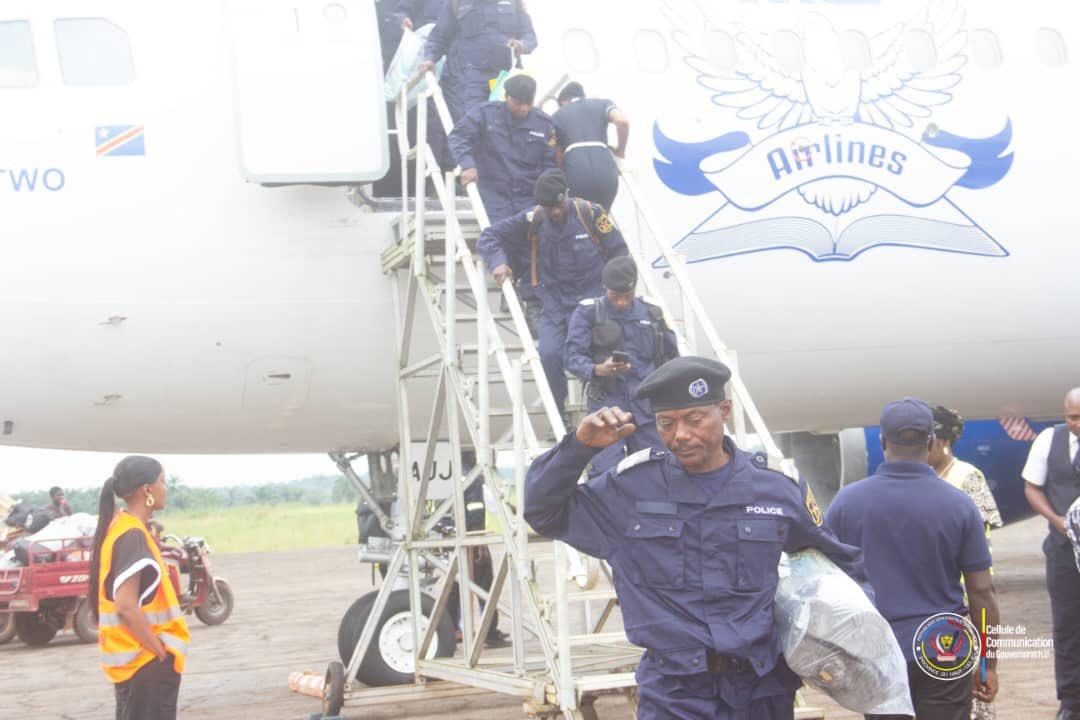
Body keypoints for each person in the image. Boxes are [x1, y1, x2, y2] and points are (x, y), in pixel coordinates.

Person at [525, 356, 870, 718]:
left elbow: (838, 567)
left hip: (762, 692)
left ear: (724, 411)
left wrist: (866, 644)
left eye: (694, 419)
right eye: (666, 423)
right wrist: (579, 447)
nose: (680, 435)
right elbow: (543, 513)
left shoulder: (776, 488)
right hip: (675, 696)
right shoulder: (630, 490)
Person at [826, 398, 999, 720]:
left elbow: (826, 584)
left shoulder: (847, 503)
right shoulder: (959, 505)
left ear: (883, 441)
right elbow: (982, 591)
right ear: (931, 441)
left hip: (878, 649)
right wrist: (987, 663)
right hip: (944, 645)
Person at [477, 169, 627, 418]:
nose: (555, 212)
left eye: (558, 205)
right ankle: (558, 416)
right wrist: (498, 262)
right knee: (549, 355)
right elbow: (488, 236)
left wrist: (615, 292)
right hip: (554, 305)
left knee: (603, 356)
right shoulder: (533, 219)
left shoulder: (591, 213)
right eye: (549, 208)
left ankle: (604, 412)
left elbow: (619, 252)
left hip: (592, 302)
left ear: (566, 194)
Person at [87, 456, 190, 720]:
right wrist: (159, 650)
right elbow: (125, 606)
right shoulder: (132, 534)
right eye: (162, 482)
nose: (165, 489)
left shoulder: (121, 527)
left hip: (135, 663)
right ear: (147, 490)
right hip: (144, 663)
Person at [564, 257, 677, 474]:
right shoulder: (588, 312)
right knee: (605, 473)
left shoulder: (652, 313)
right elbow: (572, 357)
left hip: (646, 407)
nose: (622, 302)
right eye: (616, 296)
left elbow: (670, 359)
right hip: (606, 407)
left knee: (657, 470)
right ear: (605, 287)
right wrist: (597, 369)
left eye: (627, 295)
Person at [929, 405, 1003, 720]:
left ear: (944, 442)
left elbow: (978, 550)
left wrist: (988, 662)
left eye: (928, 442)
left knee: (970, 696)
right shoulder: (920, 478)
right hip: (931, 602)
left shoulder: (968, 477)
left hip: (964, 601)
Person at [1022, 388, 1080, 720]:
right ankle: (1071, 701)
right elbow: (1032, 487)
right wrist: (1058, 522)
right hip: (1063, 552)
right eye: (1072, 418)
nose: (1077, 424)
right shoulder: (1048, 440)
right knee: (1067, 627)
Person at [448, 73, 556, 223]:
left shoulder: (544, 124)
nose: (524, 108)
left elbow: (549, 163)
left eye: (528, 103)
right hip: (493, 194)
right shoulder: (485, 113)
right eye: (518, 103)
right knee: (498, 233)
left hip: (528, 197)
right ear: (506, 97)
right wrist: (468, 165)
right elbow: (459, 137)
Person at [418, 0, 537, 124]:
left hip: (503, 81)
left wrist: (521, 45)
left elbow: (530, 37)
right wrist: (430, 58)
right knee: (473, 124)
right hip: (466, 81)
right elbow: (440, 35)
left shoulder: (514, 2)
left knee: (504, 126)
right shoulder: (456, 2)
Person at [552, 81, 629, 211]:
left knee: (579, 217)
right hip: (606, 171)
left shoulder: (557, 115)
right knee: (602, 216)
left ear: (564, 101)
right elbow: (622, 122)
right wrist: (620, 150)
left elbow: (558, 156)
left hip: (577, 173)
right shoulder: (603, 103)